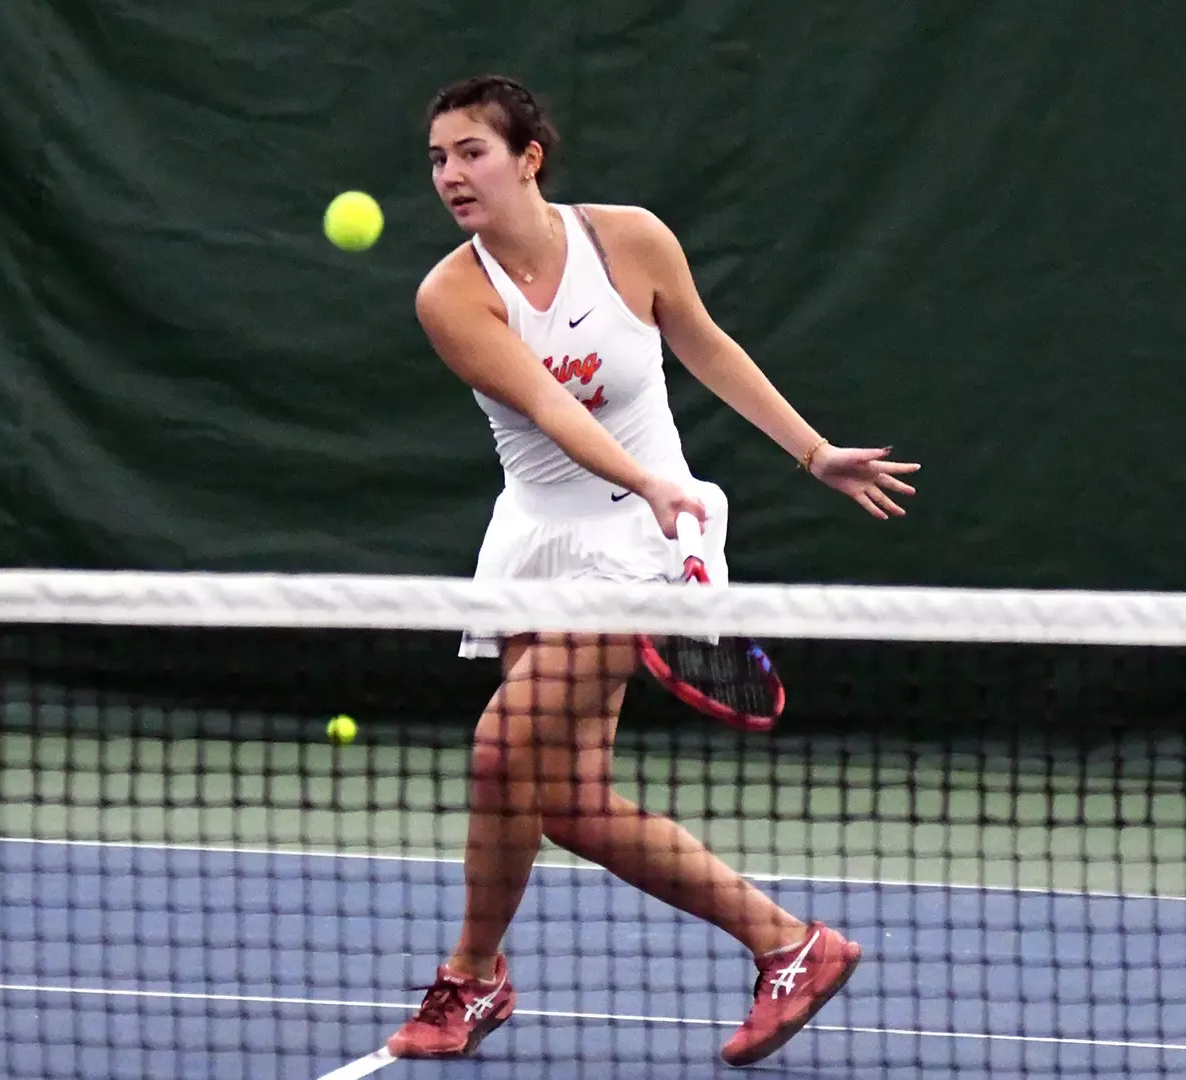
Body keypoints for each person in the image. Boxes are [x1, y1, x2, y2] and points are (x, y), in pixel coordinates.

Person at [386, 74, 920, 1068]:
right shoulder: (452, 296)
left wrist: (813, 454)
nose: (451, 175)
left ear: (528, 157)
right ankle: (790, 945)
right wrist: (643, 476)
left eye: (471, 152)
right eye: (438, 159)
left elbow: (706, 346)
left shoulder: (630, 240)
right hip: (538, 545)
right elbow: (551, 412)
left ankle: (469, 979)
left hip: (643, 546)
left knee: (501, 754)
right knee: (565, 802)